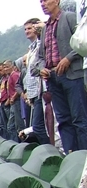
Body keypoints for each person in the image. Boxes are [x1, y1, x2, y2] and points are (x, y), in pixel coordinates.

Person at [39, 0, 87, 153]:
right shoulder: (45, 29)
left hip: (72, 75)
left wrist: (68, 58)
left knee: (79, 118)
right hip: (53, 78)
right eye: (40, 1)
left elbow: (82, 42)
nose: (43, 4)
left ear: (57, 1)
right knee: (63, 120)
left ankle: (84, 155)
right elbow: (40, 57)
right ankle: (71, 154)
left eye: (45, 0)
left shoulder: (70, 18)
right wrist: (41, 68)